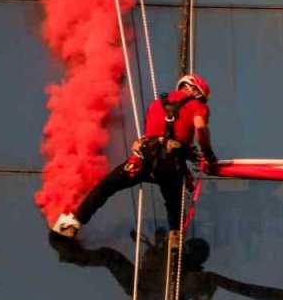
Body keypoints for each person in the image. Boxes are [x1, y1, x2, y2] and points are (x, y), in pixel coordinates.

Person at [51, 74, 218, 244]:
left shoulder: (156, 105)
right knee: (174, 204)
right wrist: (209, 154)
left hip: (143, 160)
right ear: (196, 91)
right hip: (170, 165)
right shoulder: (198, 106)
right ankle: (175, 239)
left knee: (107, 186)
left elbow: (153, 132)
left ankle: (73, 223)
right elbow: (200, 126)